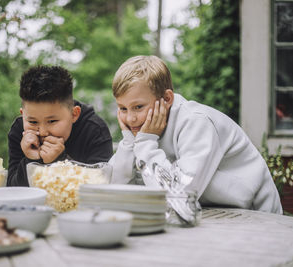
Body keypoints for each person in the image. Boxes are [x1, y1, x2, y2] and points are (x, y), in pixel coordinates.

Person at [109, 55, 282, 214]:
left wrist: (145, 142)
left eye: (138, 107)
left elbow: (177, 198)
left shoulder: (197, 123)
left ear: (167, 99)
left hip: (256, 216)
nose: (130, 118)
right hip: (212, 213)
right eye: (123, 108)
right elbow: (114, 191)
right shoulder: (145, 130)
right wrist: (129, 143)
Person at [7, 65, 113, 186]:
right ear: (23, 114)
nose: (42, 132)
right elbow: (12, 190)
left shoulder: (95, 130)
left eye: (52, 121)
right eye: (33, 122)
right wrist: (31, 161)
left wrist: (60, 161)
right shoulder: (18, 131)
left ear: (74, 114)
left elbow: (100, 187)